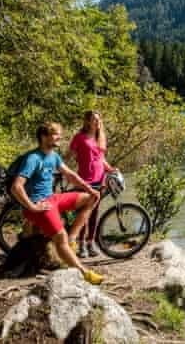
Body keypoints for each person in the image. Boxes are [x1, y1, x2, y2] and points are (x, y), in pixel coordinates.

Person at [8, 121, 105, 285]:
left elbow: (70, 175)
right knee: (61, 237)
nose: (59, 137)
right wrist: (32, 206)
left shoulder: (54, 156)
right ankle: (85, 273)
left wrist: (90, 189)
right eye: (55, 134)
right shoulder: (33, 158)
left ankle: (73, 239)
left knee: (91, 198)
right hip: (39, 205)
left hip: (52, 198)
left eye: (59, 133)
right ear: (43, 137)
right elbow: (15, 187)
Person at [67, 110, 117, 258]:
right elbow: (69, 155)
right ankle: (81, 244)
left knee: (94, 212)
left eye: (98, 119)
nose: (97, 122)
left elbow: (101, 158)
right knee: (84, 212)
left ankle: (91, 243)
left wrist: (110, 169)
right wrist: (58, 166)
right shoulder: (79, 137)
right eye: (94, 119)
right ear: (87, 121)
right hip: (85, 180)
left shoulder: (100, 137)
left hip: (100, 179)